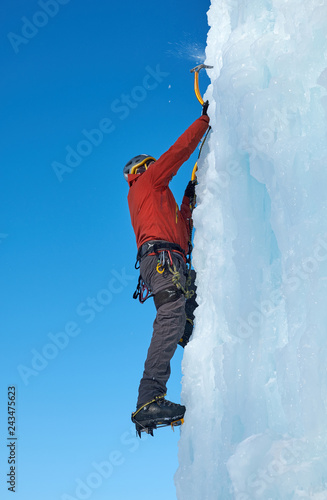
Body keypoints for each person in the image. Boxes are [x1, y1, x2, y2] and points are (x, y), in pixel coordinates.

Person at [124, 103, 210, 435]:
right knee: (171, 314)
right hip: (160, 259)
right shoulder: (146, 185)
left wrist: (188, 199)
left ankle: (187, 331)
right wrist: (205, 119)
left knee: (183, 313)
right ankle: (149, 399)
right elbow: (177, 153)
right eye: (150, 166)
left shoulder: (162, 203)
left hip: (171, 258)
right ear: (142, 170)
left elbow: (182, 233)